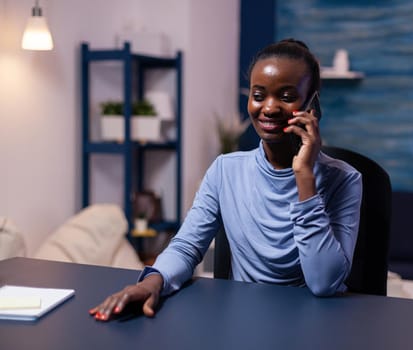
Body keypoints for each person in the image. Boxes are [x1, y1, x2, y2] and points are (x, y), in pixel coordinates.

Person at [89, 39, 362, 321]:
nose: (268, 107)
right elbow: (187, 246)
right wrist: (150, 283)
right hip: (242, 322)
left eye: (286, 95)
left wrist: (304, 175)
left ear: (312, 104)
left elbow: (324, 283)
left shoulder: (344, 179)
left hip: (314, 326)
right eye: (259, 95)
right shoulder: (225, 171)